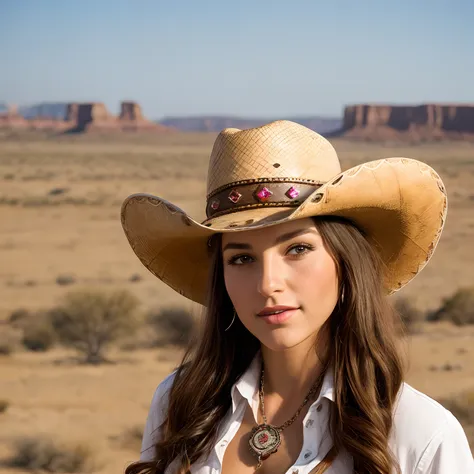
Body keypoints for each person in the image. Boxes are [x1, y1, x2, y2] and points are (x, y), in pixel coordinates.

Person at [121, 120, 474, 474]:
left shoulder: (422, 437)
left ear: (345, 263)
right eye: (241, 258)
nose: (267, 284)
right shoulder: (179, 402)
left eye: (298, 249)